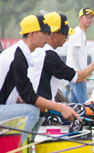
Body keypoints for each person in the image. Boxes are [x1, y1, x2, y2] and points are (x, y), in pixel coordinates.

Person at [1, 14, 79, 143]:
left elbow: (21, 94)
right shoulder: (17, 57)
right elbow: (29, 95)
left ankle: (27, 150)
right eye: (45, 33)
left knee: (38, 109)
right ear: (32, 34)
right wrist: (60, 107)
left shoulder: (22, 53)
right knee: (31, 111)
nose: (48, 37)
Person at [28, 12, 94, 102]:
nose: (66, 38)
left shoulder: (39, 51)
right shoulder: (48, 55)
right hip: (41, 107)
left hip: (41, 103)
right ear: (54, 34)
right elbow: (77, 77)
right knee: (84, 107)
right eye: (65, 34)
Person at [66, 7, 94, 103]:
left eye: (91, 18)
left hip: (75, 73)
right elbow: (74, 53)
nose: (89, 20)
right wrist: (82, 73)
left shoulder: (81, 33)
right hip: (77, 74)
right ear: (80, 18)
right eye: (87, 17)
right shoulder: (78, 33)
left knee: (74, 102)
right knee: (84, 103)